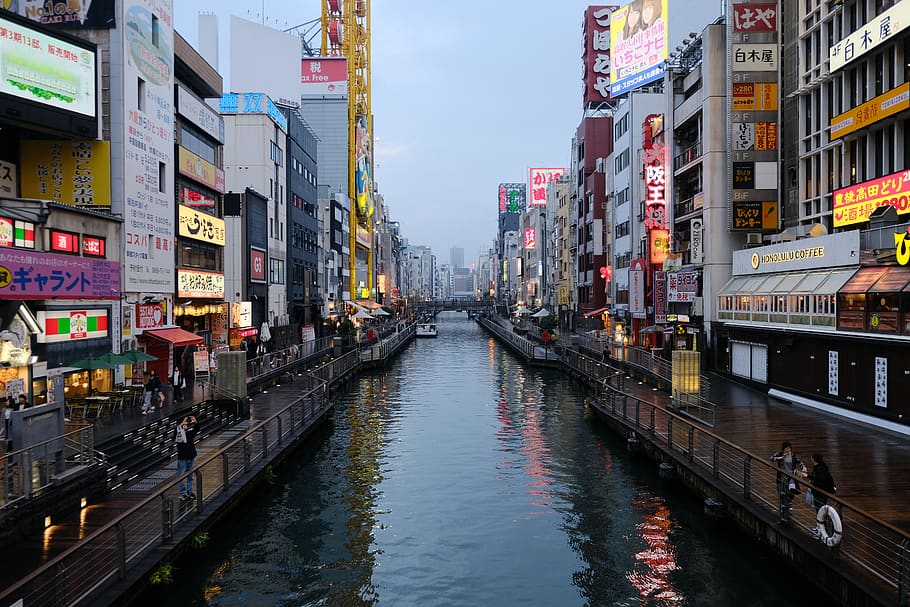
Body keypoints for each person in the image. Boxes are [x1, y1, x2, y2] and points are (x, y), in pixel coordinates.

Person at [769, 440, 807, 521]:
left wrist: (803, 467)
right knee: (781, 491)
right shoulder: (779, 453)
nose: (788, 450)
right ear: (783, 448)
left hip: (791, 476)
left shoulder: (793, 455)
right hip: (781, 476)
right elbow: (771, 458)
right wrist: (781, 458)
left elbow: (799, 462)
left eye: (789, 448)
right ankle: (783, 507)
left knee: (791, 491)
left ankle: (788, 503)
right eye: (786, 448)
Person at [175, 415, 199, 502]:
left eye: (186, 424)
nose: (185, 425)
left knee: (190, 476)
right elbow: (176, 433)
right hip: (182, 458)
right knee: (181, 477)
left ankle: (189, 492)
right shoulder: (179, 435)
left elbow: (196, 429)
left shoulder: (189, 433)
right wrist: (181, 424)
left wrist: (195, 422)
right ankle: (183, 493)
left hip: (190, 457)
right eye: (183, 424)